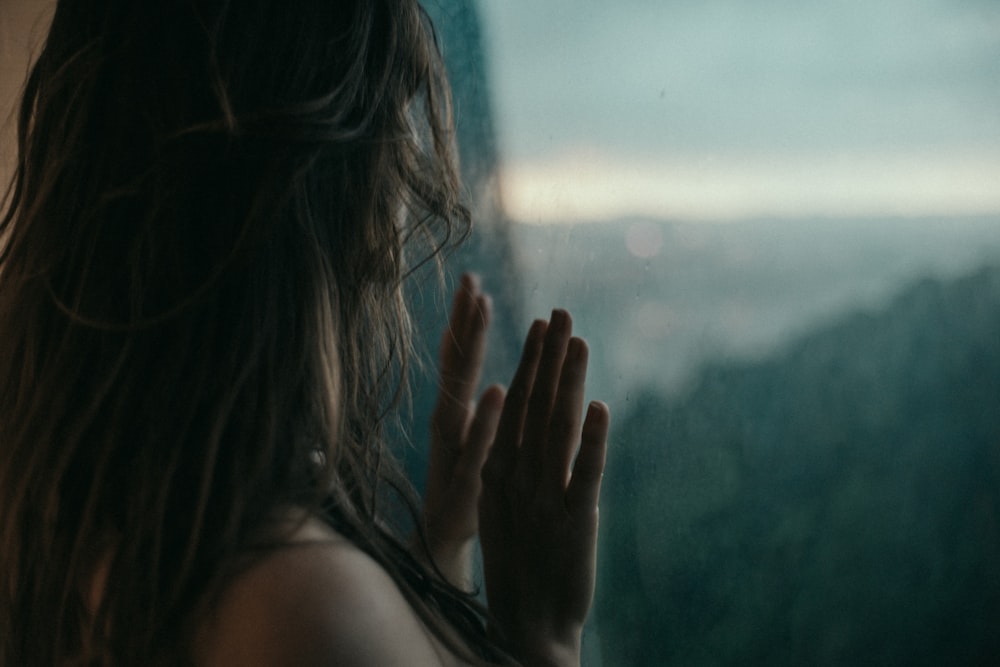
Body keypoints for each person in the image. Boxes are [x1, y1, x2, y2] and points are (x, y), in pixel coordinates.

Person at [0, 1, 610, 665]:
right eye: (393, 115)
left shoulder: (75, 500)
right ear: (326, 179)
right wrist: (543, 638)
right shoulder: (307, 611)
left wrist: (439, 556)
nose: (406, 177)